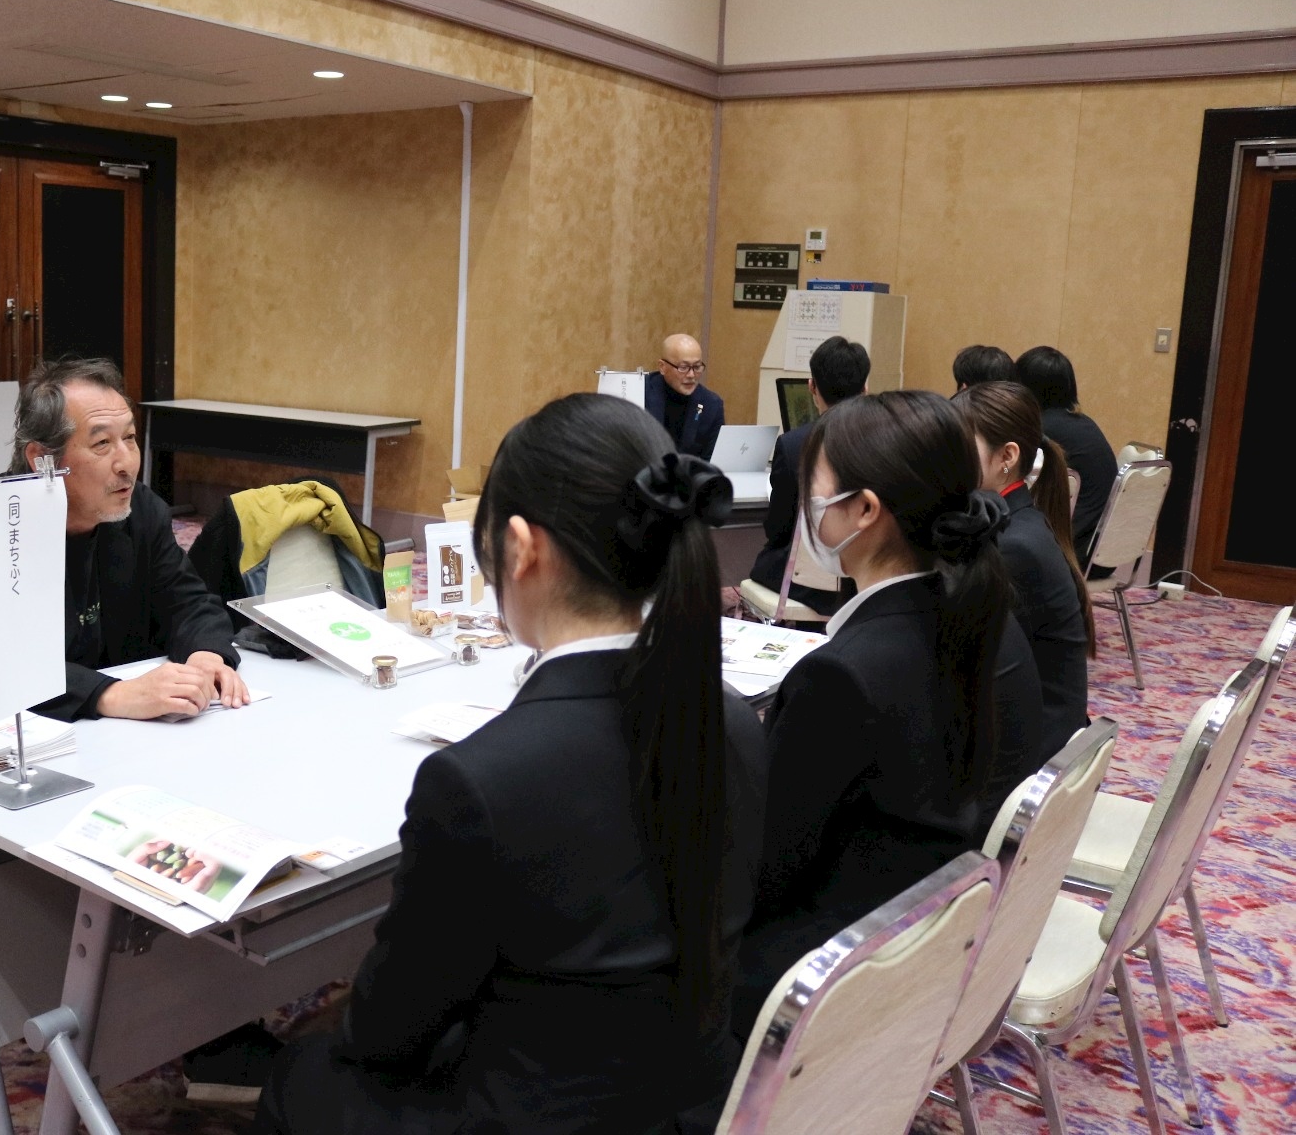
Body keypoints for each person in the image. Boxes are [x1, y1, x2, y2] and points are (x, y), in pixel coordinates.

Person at [253, 393, 768, 1135]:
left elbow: (387, 1034)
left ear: (521, 548)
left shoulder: (481, 781)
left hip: (529, 1117)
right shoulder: (733, 718)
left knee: (300, 1075)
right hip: (699, 1098)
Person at [726, 390, 1043, 1072]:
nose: (808, 507)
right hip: (922, 934)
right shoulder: (978, 610)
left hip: (826, 978)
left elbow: (762, 875)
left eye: (814, 490)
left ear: (865, 510)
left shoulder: (842, 676)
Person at [0, 357, 246, 721]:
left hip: (98, 730)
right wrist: (111, 694)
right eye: (102, 443)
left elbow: (189, 603)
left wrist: (206, 656)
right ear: (41, 458)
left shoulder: (141, 512)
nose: (127, 463)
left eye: (129, 438)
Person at [954, 382, 1095, 758]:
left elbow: (969, 668)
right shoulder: (1018, 520)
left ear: (1007, 456)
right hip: (1040, 730)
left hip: (1033, 752)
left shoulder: (1012, 545)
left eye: (959, 446)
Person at [748, 334, 869, 615]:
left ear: (812, 386)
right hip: (866, 575)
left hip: (812, 583)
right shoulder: (889, 441)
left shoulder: (792, 445)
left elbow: (777, 529)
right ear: (865, 387)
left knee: (766, 560)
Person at [1013, 346, 1117, 561]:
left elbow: (1008, 474)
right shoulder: (1085, 423)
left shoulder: (1042, 430)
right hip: (1102, 551)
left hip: (1070, 552)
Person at [643, 332, 725, 460]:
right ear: (662, 367)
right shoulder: (640, 391)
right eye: (683, 367)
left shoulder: (711, 405)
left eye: (697, 367)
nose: (691, 375)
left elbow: (712, 460)